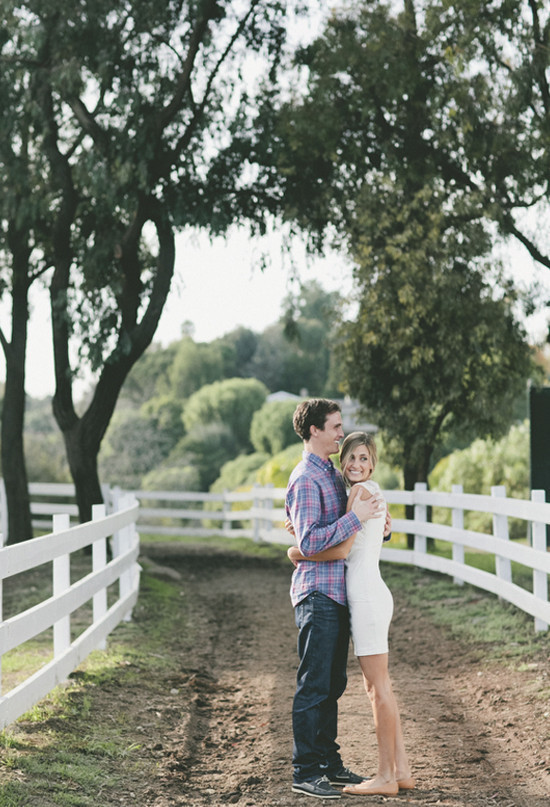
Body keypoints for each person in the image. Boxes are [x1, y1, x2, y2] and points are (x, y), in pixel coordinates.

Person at [288, 431, 414, 797]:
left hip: (366, 597)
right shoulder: (365, 490)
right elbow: (367, 537)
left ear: (373, 463)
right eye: (350, 458)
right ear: (342, 462)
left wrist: (297, 554)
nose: (355, 464)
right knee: (381, 686)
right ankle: (401, 770)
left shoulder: (359, 494)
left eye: (363, 457)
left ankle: (385, 776)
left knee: (377, 690)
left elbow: (341, 550)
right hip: (368, 593)